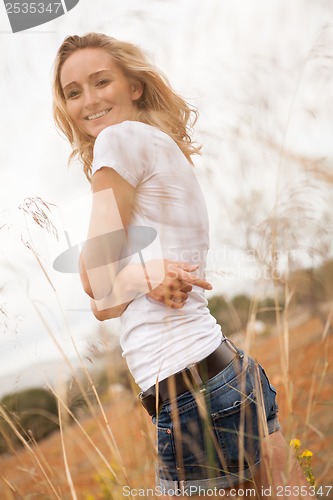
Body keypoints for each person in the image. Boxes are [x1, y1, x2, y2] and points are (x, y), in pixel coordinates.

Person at [53, 33, 315, 499]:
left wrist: (124, 277)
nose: (89, 101)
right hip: (223, 371)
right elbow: (106, 304)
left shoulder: (119, 139)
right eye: (74, 92)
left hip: (191, 394)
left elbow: (94, 282)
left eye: (100, 82)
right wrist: (138, 276)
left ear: (134, 85)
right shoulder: (154, 145)